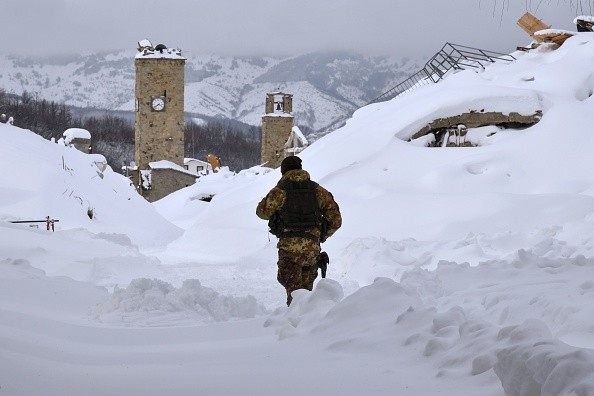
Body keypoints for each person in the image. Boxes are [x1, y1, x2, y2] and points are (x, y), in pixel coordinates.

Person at [256, 156, 342, 306]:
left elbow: (261, 212)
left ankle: (294, 324)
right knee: (306, 295)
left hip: (289, 250)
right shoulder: (317, 191)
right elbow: (336, 220)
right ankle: (308, 323)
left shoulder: (280, 191)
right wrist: (320, 236)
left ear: (284, 171)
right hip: (311, 250)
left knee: (295, 295)